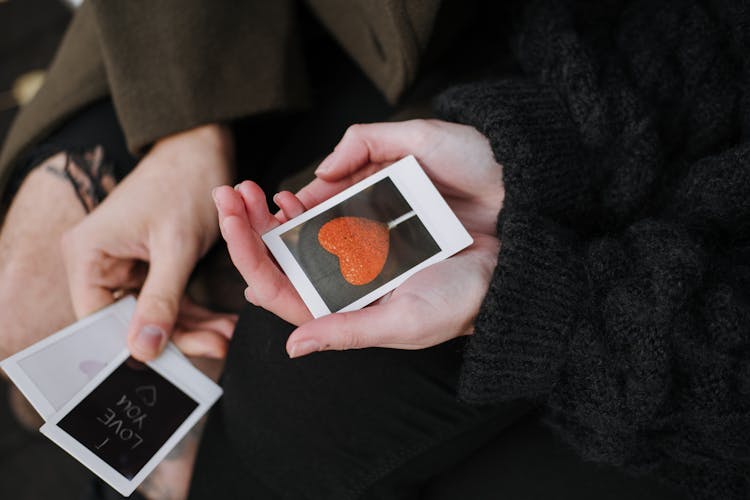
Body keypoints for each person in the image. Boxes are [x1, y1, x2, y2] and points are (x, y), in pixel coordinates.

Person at [207, 1, 750, 499]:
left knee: (296, 405)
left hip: (700, 378)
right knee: (295, 382)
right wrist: (546, 151)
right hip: (635, 89)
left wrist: (549, 306)